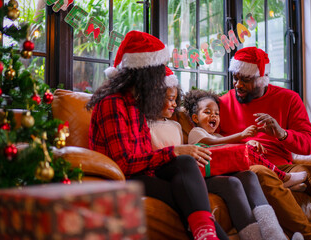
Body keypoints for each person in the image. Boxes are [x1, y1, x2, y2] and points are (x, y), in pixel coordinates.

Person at [86, 30, 228, 240]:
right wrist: (174, 150)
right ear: (145, 74)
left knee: (186, 163)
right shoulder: (112, 103)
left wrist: (177, 155)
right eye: (158, 72)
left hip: (141, 173)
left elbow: (144, 155)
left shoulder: (136, 105)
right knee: (187, 198)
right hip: (122, 179)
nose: (162, 79)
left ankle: (205, 234)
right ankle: (207, 234)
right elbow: (124, 163)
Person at [148, 67, 303, 240]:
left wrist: (245, 142)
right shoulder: (156, 127)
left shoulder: (176, 126)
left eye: (176, 100)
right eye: (171, 99)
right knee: (233, 183)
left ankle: (275, 235)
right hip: (187, 176)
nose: (175, 104)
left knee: (249, 176)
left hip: (198, 171)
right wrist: (241, 136)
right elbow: (201, 148)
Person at [219, 46, 311, 240]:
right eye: (235, 77)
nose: (238, 84)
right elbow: (211, 145)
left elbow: (308, 145)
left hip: (287, 169)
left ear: (262, 78)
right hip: (252, 170)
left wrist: (282, 133)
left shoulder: (288, 98)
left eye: (246, 79)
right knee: (261, 174)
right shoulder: (221, 104)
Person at [184, 89, 308, 190]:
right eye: (207, 112)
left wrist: (248, 143)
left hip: (223, 168)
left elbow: (228, 145)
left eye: (217, 113)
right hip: (209, 170)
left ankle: (282, 184)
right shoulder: (196, 132)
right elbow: (211, 143)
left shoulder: (217, 135)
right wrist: (241, 136)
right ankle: (283, 177)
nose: (213, 115)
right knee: (245, 153)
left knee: (249, 152)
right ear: (195, 118)